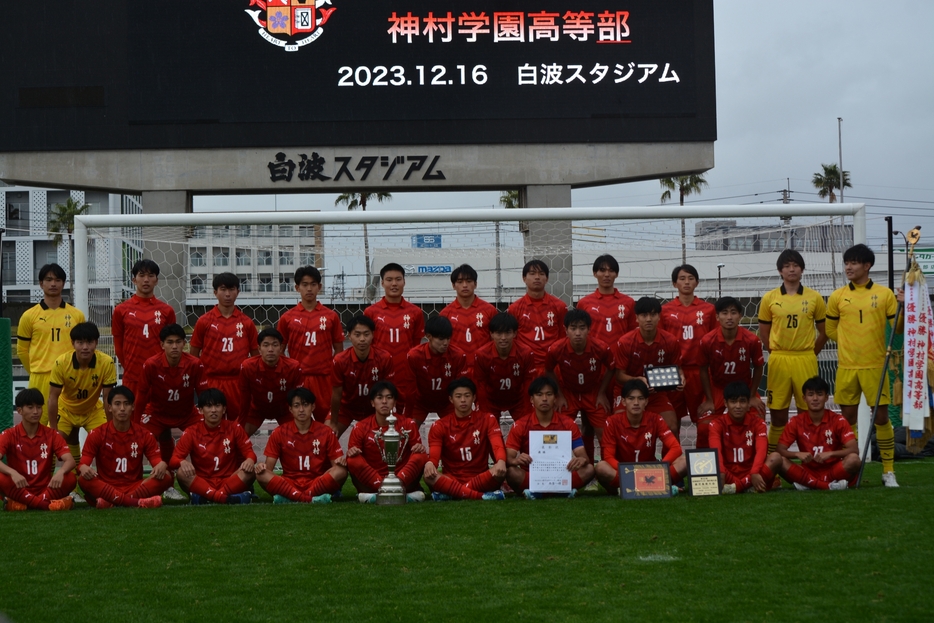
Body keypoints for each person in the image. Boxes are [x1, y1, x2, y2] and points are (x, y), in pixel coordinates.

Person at [825, 243, 899, 487]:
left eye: (854, 262)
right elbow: (830, 329)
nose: (849, 267)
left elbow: (897, 328)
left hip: (876, 366)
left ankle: (888, 471)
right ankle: (851, 471)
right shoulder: (837, 296)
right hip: (847, 367)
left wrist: (902, 306)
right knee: (847, 421)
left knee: (880, 418)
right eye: (847, 262)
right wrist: (848, 343)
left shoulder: (885, 294)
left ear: (867, 266)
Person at [757, 250, 827, 455]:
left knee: (810, 413)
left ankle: (812, 460)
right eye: (787, 266)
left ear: (802, 269)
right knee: (778, 414)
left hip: (805, 358)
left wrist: (810, 353)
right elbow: (764, 333)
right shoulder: (769, 298)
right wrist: (776, 351)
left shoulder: (814, 298)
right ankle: (773, 463)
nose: (791, 269)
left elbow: (824, 332)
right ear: (780, 270)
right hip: (779, 359)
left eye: (795, 265)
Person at [77, 386, 173, 508]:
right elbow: (82, 464)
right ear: (109, 407)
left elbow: (157, 463)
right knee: (82, 479)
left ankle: (111, 501)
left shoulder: (144, 434)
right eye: (117, 404)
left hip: (134, 485)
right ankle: (135, 502)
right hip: (107, 485)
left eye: (126, 404)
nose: (122, 408)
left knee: (166, 476)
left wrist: (161, 465)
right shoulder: (97, 434)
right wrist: (83, 467)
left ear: (133, 407)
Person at [16, 263, 86, 425]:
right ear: (41, 284)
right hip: (40, 378)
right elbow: (21, 351)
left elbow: (83, 348)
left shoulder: (76, 315)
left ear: (63, 283)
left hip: (69, 378)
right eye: (48, 280)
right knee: (37, 426)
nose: (53, 284)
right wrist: (36, 370)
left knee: (68, 426)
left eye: (58, 280)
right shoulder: (29, 316)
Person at [544, 308, 614, 465]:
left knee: (605, 434)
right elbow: (548, 370)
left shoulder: (601, 347)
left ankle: (607, 472)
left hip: (593, 392)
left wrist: (602, 393)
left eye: (582, 328)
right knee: (559, 433)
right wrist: (559, 395)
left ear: (589, 329)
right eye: (573, 328)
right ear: (566, 330)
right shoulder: (556, 349)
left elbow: (611, 368)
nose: (577, 333)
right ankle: (558, 471)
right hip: (568, 393)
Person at [505, 376, 595, 498]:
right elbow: (508, 458)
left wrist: (581, 460)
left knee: (589, 469)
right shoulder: (520, 425)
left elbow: (583, 456)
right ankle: (563, 491)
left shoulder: (568, 424)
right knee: (511, 472)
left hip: (562, 475)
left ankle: (537, 492)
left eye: (549, 394)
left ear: (555, 398)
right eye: (539, 394)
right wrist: (516, 460)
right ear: (531, 399)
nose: (544, 399)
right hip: (531, 475)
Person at [255, 388, 348, 504]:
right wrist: (261, 466)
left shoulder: (326, 432)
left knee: (341, 471)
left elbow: (336, 466)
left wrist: (341, 462)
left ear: (313, 407)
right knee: (261, 474)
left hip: (316, 482)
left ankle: (291, 497)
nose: (301, 410)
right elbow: (268, 468)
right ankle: (310, 499)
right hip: (289, 483)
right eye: (297, 405)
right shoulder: (279, 432)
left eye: (305, 405)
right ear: (290, 409)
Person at [276, 266, 344, 422]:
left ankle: (325, 446)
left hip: (324, 378)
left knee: (327, 423)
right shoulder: (287, 317)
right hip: (298, 377)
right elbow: (280, 349)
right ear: (297, 287)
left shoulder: (330, 316)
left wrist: (333, 373)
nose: (309, 288)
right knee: (299, 422)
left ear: (319, 287)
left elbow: (339, 350)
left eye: (313, 284)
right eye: (304, 284)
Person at [189, 272, 259, 423]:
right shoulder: (204, 321)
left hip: (238, 382)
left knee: (238, 427)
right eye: (223, 289)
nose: (227, 294)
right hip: (211, 381)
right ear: (215, 292)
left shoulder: (246, 323)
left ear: (238, 292)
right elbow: (193, 355)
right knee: (211, 425)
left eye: (231, 289)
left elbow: (255, 357)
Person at [696, 296, 765, 447]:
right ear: (717, 316)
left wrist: (752, 395)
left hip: (744, 389)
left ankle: (754, 461)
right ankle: (703, 466)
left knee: (758, 421)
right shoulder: (707, 341)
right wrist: (708, 399)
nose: (729, 317)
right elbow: (702, 369)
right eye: (724, 313)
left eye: (733, 313)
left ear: (740, 316)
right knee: (703, 428)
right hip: (718, 388)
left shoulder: (752, 340)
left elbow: (759, 367)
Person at [595, 380, 686, 494]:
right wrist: (628, 471)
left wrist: (658, 468)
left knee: (685, 461)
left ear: (646, 401)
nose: (636, 402)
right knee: (601, 467)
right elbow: (608, 457)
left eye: (641, 398)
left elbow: (676, 448)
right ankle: (656, 487)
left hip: (651, 473)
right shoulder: (612, 422)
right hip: (625, 473)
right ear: (623, 401)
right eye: (631, 398)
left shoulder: (656, 419)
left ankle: (628, 489)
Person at [768, 376, 858, 491]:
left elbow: (854, 450)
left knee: (854, 460)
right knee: (778, 460)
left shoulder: (838, 420)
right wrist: (797, 454)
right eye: (810, 395)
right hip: (807, 471)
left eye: (819, 394)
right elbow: (780, 450)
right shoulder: (796, 421)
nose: (815, 398)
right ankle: (828, 485)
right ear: (804, 398)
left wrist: (831, 454)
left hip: (833, 469)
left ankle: (809, 483)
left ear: (826, 397)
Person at [136, 324, 208, 467]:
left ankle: (205, 475)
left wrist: (207, 418)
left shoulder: (195, 364)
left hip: (187, 414)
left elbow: (204, 395)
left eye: (178, 342)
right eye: (170, 342)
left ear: (184, 343)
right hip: (156, 414)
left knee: (206, 436)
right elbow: (141, 396)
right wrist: (135, 424)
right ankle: (137, 479)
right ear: (162, 345)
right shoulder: (151, 364)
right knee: (137, 440)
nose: (174, 346)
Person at [423, 378, 507, 501]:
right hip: (452, 478)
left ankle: (453, 493)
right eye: (458, 396)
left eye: (467, 396)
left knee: (500, 470)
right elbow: (434, 456)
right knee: (428, 476)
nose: (463, 400)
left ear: (474, 398)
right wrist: (430, 463)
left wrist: (500, 460)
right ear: (451, 399)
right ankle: (481, 496)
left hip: (481, 477)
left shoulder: (487, 419)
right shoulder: (440, 425)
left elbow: (498, 446)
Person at [169, 389, 256, 505]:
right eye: (209, 406)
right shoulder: (191, 432)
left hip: (229, 479)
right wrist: (181, 462)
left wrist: (250, 460)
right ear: (200, 410)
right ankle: (225, 497)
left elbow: (249, 453)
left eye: (217, 406)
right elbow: (173, 460)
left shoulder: (235, 428)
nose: (213, 410)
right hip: (203, 482)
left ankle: (208, 497)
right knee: (181, 473)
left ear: (224, 409)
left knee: (250, 471)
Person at [346, 381, 428, 503]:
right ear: (372, 403)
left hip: (402, 478)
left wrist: (419, 448)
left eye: (389, 398)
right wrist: (352, 451)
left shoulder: (408, 424)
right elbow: (354, 457)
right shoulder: (360, 427)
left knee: (421, 455)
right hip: (372, 481)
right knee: (352, 459)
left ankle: (388, 491)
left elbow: (417, 453)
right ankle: (394, 493)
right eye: (380, 398)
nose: (384, 401)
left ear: (394, 402)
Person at [48, 322, 117, 465]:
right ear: (73, 343)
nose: (85, 347)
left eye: (89, 342)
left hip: (92, 410)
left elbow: (107, 399)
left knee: (106, 441)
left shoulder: (106, 363)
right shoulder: (61, 363)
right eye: (80, 342)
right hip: (66, 409)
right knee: (50, 443)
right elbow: (53, 398)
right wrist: (53, 430)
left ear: (96, 343)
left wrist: (111, 428)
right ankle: (50, 482)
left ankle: (107, 480)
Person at [614, 297, 684, 436]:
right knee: (621, 425)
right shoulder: (626, 342)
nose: (648, 319)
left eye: (653, 314)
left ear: (659, 317)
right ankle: (625, 458)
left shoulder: (670, 341)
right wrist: (637, 380)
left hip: (656, 394)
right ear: (636, 318)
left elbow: (678, 368)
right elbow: (619, 375)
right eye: (644, 315)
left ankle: (671, 458)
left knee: (672, 426)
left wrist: (681, 377)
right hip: (629, 392)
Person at [661, 264, 718, 434]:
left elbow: (714, 341)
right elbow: (662, 343)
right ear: (674, 284)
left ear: (697, 282)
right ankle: (675, 458)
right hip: (673, 372)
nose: (686, 282)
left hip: (699, 372)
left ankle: (704, 459)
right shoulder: (664, 311)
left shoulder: (708, 309)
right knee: (671, 424)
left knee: (704, 422)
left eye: (690, 278)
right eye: (682, 278)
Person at [0, 389, 77, 511]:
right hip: (20, 486)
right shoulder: (9, 434)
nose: (36, 412)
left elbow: (70, 461)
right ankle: (48, 505)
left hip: (46, 489)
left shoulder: (51, 434)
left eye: (39, 407)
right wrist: (13, 473)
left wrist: (61, 472)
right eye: (30, 407)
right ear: (20, 410)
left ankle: (23, 504)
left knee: (70, 478)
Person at [364, 263, 425, 414]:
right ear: (382, 282)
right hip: (380, 375)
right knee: (381, 419)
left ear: (404, 282)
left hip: (406, 376)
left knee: (406, 421)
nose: (394, 284)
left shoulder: (415, 312)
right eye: (389, 279)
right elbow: (367, 346)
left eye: (398, 279)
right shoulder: (371, 312)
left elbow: (416, 347)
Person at [111, 259, 177, 397]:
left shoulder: (167, 311)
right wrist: (130, 368)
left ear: (156, 280)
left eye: (151, 275)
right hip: (132, 377)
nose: (146, 280)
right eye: (142, 275)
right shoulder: (121, 310)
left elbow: (171, 344)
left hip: (160, 376)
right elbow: (118, 346)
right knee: (133, 417)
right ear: (134, 280)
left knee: (160, 417)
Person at [329, 315, 395, 438]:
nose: (362, 339)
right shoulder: (340, 360)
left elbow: (389, 392)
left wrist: (387, 416)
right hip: (346, 408)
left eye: (366, 334)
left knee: (389, 437)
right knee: (328, 437)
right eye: (357, 334)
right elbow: (336, 394)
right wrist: (333, 423)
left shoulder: (384, 357)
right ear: (349, 336)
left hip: (374, 408)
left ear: (373, 335)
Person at [472, 312, 539, 422]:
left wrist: (529, 408)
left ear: (515, 333)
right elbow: (480, 385)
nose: (503, 338)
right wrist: (483, 411)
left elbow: (528, 383)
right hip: (491, 400)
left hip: (518, 399)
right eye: (498, 333)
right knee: (488, 432)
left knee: (527, 428)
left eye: (507, 333)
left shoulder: (526, 353)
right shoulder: (482, 354)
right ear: (491, 334)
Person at [238, 328, 304, 436]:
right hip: (256, 410)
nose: (270, 349)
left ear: (281, 348)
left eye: (274, 345)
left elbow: (299, 398)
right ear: (259, 349)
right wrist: (239, 426)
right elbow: (244, 399)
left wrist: (302, 423)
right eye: (266, 345)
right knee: (239, 436)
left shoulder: (293, 367)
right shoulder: (248, 367)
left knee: (298, 436)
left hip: (284, 410)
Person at [707, 382, 770, 494]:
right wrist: (721, 471)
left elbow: (762, 450)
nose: (738, 406)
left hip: (751, 473)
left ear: (749, 403)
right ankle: (747, 487)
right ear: (725, 403)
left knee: (776, 458)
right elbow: (716, 451)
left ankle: (735, 488)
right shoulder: (716, 424)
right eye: (733, 401)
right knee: (704, 461)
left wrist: (754, 472)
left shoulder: (759, 423)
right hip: (727, 474)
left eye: (742, 401)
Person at [406, 315, 468, 424]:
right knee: (409, 431)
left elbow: (460, 387)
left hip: (447, 403)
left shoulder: (458, 355)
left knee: (457, 430)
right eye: (441, 338)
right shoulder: (414, 356)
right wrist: (406, 418)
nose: (445, 343)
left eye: (448, 338)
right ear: (429, 336)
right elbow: (410, 389)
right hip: (420, 403)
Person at [507, 260, 568, 369]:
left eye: (541, 274)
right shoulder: (514, 308)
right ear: (524, 278)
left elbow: (563, 337)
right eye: (532, 273)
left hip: (553, 365)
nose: (537, 277)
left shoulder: (559, 306)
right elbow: (512, 340)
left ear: (547, 279)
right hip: (526, 365)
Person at [439, 264, 498, 366]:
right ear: (453, 285)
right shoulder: (445, 313)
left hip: (484, 366)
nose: (465, 285)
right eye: (460, 282)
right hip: (455, 366)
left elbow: (496, 339)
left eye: (469, 281)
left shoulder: (489, 310)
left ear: (475, 284)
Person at [576, 254, 637, 348]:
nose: (607, 275)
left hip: (621, 357)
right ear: (595, 273)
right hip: (594, 357)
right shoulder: (584, 303)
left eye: (611, 270)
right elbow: (579, 331)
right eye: (602, 270)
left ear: (616, 274)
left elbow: (634, 333)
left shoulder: (628, 302)